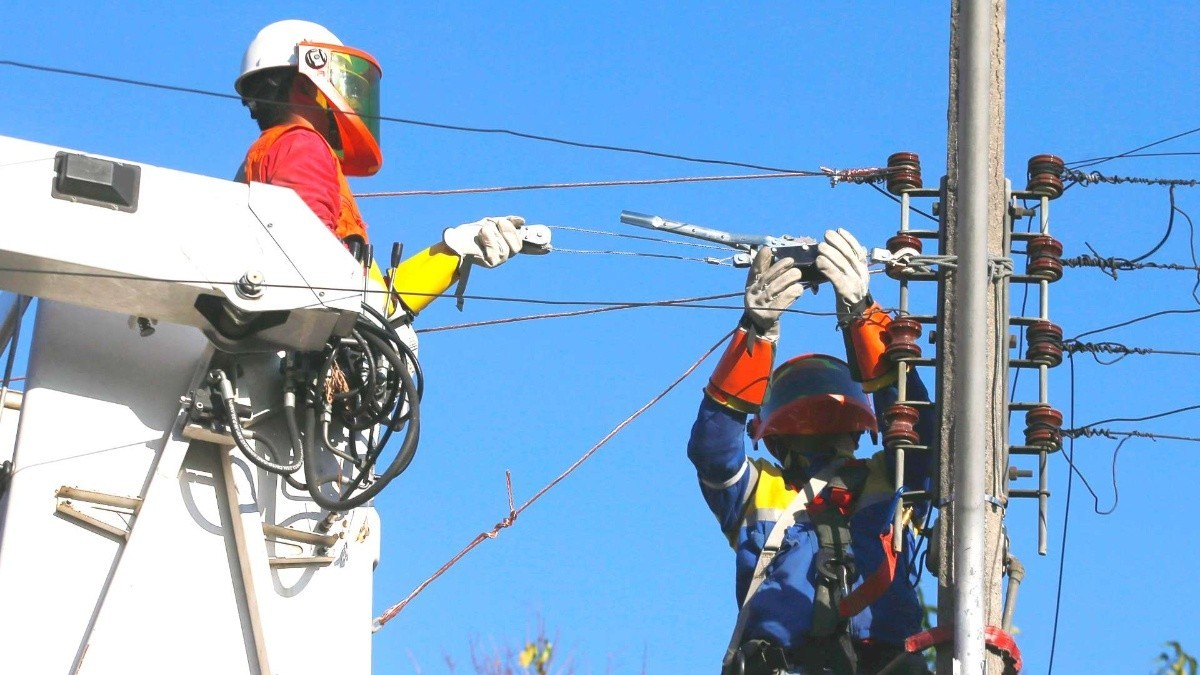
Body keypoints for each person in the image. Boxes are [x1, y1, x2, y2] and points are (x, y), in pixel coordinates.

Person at [688, 229, 934, 675]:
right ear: (861, 426)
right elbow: (713, 449)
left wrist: (862, 315)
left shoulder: (895, 479)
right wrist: (756, 333)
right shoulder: (761, 490)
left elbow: (919, 435)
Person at [234, 19, 526, 317]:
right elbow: (310, 267)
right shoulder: (302, 145)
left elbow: (379, 307)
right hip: (312, 343)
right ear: (308, 84)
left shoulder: (274, 152)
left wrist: (458, 250)